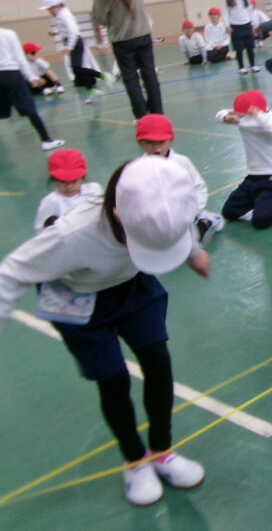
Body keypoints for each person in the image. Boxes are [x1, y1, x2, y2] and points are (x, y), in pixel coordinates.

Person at [0, 156, 209, 507]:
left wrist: (193, 253)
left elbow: (180, 226)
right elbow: (11, 273)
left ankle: (161, 452)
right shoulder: (72, 235)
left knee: (158, 361)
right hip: (78, 299)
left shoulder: (169, 202)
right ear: (117, 214)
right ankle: (134, 460)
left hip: (133, 286)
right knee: (113, 379)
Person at [90, 0, 162, 119]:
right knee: (149, 74)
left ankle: (141, 116)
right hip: (143, 34)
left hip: (123, 40)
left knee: (131, 79)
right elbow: (141, 2)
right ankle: (158, 112)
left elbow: (99, 17)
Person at [136, 114, 224, 244]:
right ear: (140, 142)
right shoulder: (137, 167)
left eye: (161, 142)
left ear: (170, 140)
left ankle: (206, 221)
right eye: (150, 142)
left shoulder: (182, 162)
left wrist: (193, 209)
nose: (156, 147)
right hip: (158, 215)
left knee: (187, 244)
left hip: (183, 211)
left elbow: (199, 187)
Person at [216, 90, 272, 229]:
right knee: (229, 212)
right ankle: (261, 200)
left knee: (260, 222)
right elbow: (221, 114)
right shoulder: (242, 118)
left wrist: (260, 117)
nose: (239, 118)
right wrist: (227, 117)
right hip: (252, 178)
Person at [40, 0, 113, 105]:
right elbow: (64, 28)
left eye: (50, 9)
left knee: (77, 68)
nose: (50, 12)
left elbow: (73, 31)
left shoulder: (64, 15)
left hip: (75, 42)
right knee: (77, 70)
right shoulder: (60, 15)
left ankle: (104, 76)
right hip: (73, 42)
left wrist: (69, 47)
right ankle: (93, 90)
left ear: (57, 6)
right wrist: (55, 32)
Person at [0, 26, 64, 151]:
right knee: (30, 110)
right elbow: (20, 58)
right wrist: (31, 77)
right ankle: (46, 141)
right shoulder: (9, 34)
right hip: (11, 75)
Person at [35, 149, 103, 231]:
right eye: (63, 182)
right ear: (55, 180)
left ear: (82, 178)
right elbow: (41, 230)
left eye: (74, 181)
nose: (69, 187)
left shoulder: (94, 190)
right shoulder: (51, 201)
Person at [224, 0, 259, 75]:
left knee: (250, 47)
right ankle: (241, 67)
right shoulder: (227, 0)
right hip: (235, 27)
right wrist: (227, 26)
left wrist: (253, 24)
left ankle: (253, 65)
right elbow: (225, 13)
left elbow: (250, 11)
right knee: (239, 49)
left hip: (247, 25)